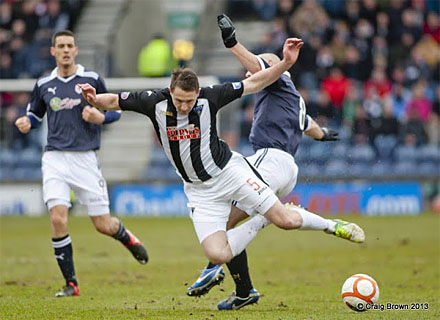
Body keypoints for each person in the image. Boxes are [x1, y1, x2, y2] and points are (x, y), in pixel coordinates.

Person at [79, 36, 364, 310]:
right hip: (199, 192)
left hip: (230, 173)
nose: (184, 106)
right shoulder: (153, 101)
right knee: (218, 253)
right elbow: (115, 101)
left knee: (286, 220)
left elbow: (255, 81)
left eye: (189, 101)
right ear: (170, 91)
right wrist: (94, 98)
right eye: (179, 101)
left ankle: (325, 225)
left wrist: (286, 63)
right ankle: (258, 233)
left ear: (197, 94)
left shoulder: (211, 97)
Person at [184, 14, 356, 311]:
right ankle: (243, 289)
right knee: (228, 215)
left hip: (269, 158)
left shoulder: (277, 81)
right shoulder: (293, 98)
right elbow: (309, 125)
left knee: (222, 219)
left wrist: (232, 43)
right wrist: (323, 134)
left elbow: (256, 64)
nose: (251, 75)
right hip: (286, 169)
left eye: (259, 71)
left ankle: (215, 267)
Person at [14, 30, 148, 298]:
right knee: (57, 217)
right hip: (54, 158)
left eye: (69, 46)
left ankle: (125, 236)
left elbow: (114, 112)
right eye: (60, 46)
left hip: (85, 159)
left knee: (102, 224)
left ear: (76, 50)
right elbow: (35, 113)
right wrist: (27, 121)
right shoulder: (43, 84)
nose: (65, 50)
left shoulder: (91, 79)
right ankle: (71, 284)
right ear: (53, 51)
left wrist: (100, 118)